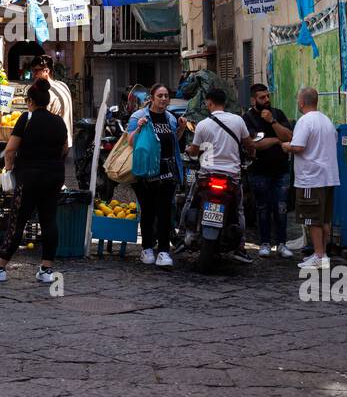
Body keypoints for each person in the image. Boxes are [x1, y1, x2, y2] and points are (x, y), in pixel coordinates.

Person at [0, 80, 69, 284]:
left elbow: (10, 149)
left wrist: (8, 169)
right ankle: (46, 269)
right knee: (49, 221)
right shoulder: (59, 122)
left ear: (30, 101)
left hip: (29, 177)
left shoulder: (27, 118)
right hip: (54, 176)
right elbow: (64, 149)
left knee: (17, 221)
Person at [186, 87, 256, 262]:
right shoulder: (238, 121)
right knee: (239, 210)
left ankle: (185, 235)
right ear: (224, 103)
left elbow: (194, 151)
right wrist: (252, 155)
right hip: (231, 177)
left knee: (190, 201)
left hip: (207, 175)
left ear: (209, 102)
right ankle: (240, 246)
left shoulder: (202, 125)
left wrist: (189, 150)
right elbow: (249, 145)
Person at [126, 83, 185, 268]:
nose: (163, 99)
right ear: (151, 98)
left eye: (166, 95)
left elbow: (174, 140)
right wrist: (139, 128)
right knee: (148, 210)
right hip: (146, 170)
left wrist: (182, 128)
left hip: (167, 169)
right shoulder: (139, 116)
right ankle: (147, 249)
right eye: (160, 95)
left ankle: (164, 252)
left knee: (165, 210)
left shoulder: (171, 118)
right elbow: (130, 141)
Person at [282, 87, 338, 270]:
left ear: (301, 102)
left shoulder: (305, 121)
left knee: (312, 219)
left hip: (311, 178)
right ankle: (321, 254)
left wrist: (286, 146)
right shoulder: (326, 120)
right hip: (328, 177)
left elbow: (298, 147)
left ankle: (319, 256)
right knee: (324, 219)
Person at [243, 83, 294, 258]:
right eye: (262, 97)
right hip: (259, 171)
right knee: (262, 208)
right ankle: (264, 243)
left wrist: (272, 121)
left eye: (267, 96)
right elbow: (254, 144)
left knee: (281, 208)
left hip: (281, 170)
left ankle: (282, 244)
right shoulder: (247, 118)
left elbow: (289, 136)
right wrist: (276, 141)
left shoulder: (277, 114)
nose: (266, 100)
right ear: (253, 99)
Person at [28, 54, 73, 147]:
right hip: (66, 142)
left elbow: (41, 122)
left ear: (46, 71)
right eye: (32, 71)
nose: (33, 75)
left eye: (36, 71)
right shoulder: (63, 85)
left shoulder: (46, 92)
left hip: (54, 146)